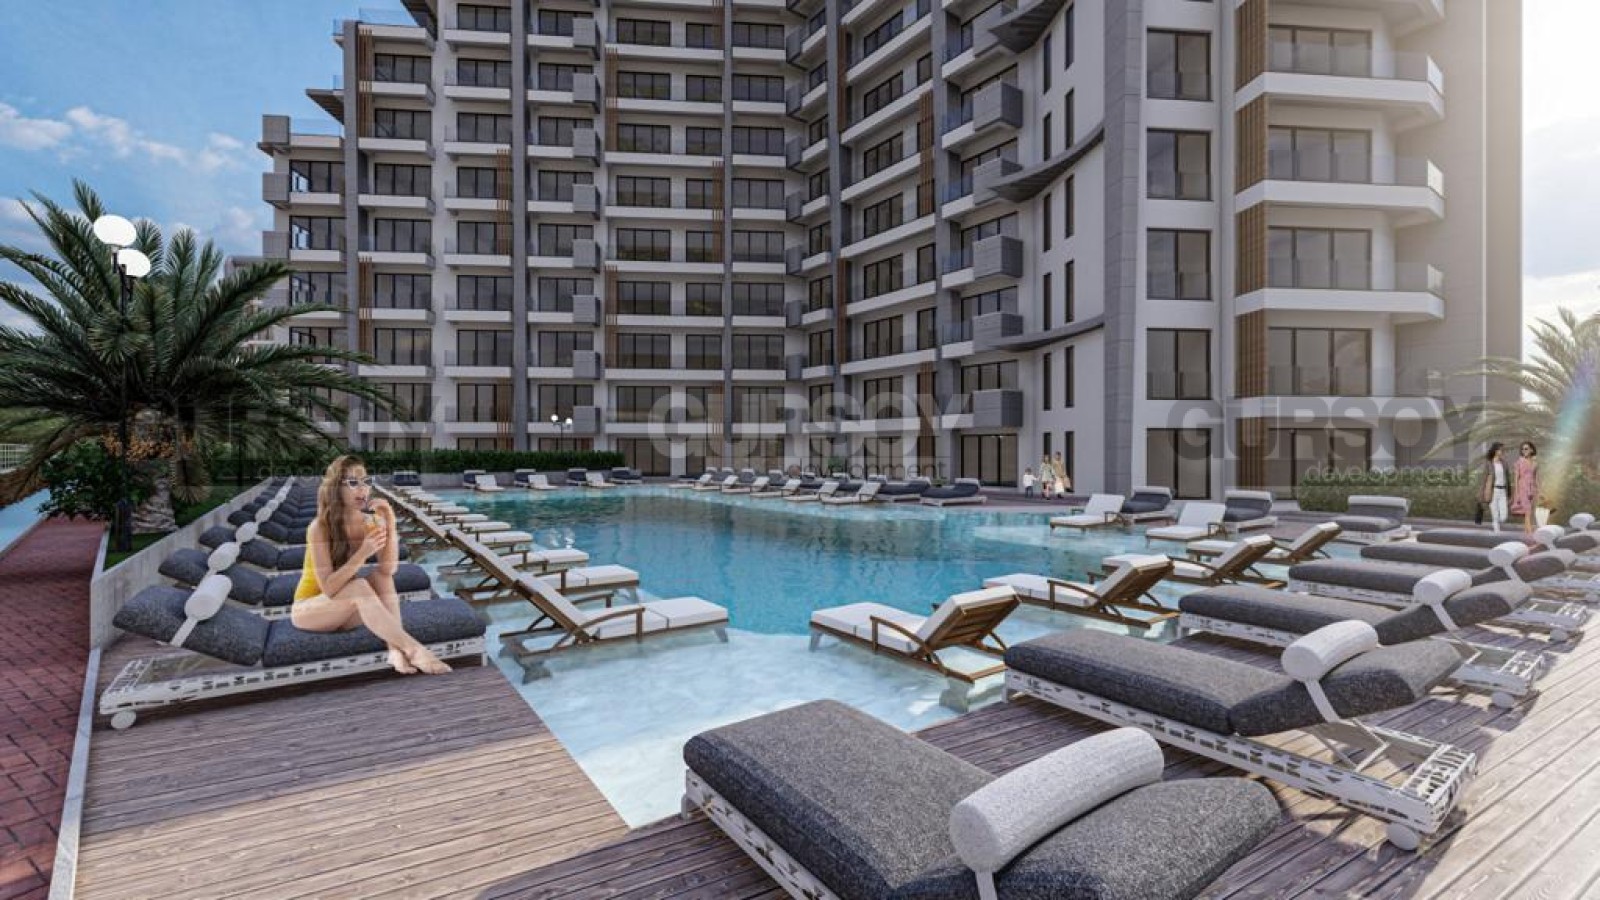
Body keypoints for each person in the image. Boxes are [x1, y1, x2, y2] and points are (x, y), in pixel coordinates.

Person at [291, 455, 451, 675]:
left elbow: (388, 570)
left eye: (366, 481)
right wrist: (363, 553)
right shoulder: (319, 528)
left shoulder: (370, 519)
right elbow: (328, 588)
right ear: (336, 488)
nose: (362, 489)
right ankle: (414, 650)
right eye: (353, 483)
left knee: (380, 578)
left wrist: (390, 521)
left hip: (345, 611)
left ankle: (394, 651)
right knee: (359, 587)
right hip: (311, 611)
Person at [1510, 441, 1541, 535]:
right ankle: (1530, 534)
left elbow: (1536, 479)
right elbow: (1516, 478)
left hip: (1532, 490)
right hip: (1522, 488)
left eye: (1526, 449)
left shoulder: (1535, 463)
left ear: (1531, 450)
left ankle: (1527, 532)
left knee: (1529, 512)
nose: (1524, 451)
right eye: (1522, 449)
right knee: (1528, 511)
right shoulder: (1519, 462)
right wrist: (1517, 493)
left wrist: (1540, 491)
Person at [1479, 442, 1509, 532]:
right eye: (1501, 449)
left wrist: (1509, 492)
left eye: (1503, 450)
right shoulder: (1489, 463)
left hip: (1503, 491)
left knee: (1504, 516)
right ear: (1495, 451)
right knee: (1495, 514)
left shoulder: (1504, 463)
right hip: (1492, 491)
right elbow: (1484, 480)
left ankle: (1497, 523)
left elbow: (1507, 479)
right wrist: (1481, 493)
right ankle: (1496, 530)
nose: (1503, 451)